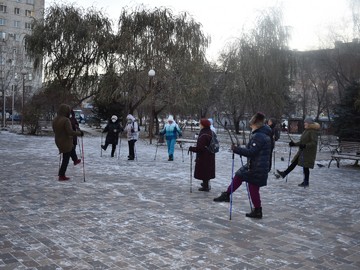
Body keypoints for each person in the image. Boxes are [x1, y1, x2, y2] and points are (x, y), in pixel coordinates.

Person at [213, 112, 271, 219]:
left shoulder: (259, 135)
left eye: (251, 124)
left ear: (256, 124)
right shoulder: (263, 134)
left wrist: (237, 150)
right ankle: (227, 194)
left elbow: (251, 152)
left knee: (253, 187)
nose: (250, 126)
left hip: (257, 166)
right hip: (256, 165)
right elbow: (254, 149)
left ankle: (258, 210)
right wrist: (241, 147)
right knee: (239, 175)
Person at [276, 117, 320, 187]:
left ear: (309, 123)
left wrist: (305, 145)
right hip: (303, 151)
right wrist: (294, 144)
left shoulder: (312, 131)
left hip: (308, 152)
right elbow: (302, 142)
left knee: (305, 167)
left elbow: (314, 143)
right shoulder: (307, 130)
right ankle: (284, 174)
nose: (304, 123)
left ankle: (306, 182)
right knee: (295, 162)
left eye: (305, 122)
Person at [52, 104, 84, 181]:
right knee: (66, 158)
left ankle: (75, 160)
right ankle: (61, 175)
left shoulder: (55, 119)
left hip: (58, 140)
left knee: (71, 147)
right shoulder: (66, 120)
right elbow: (70, 132)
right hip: (65, 140)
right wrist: (79, 133)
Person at [188, 119, 216, 191]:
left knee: (204, 170)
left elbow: (200, 148)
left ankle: (206, 186)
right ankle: (205, 184)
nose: (199, 125)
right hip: (210, 154)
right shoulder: (210, 132)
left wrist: (192, 148)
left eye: (200, 124)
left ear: (203, 125)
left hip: (204, 156)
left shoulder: (203, 134)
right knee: (207, 170)